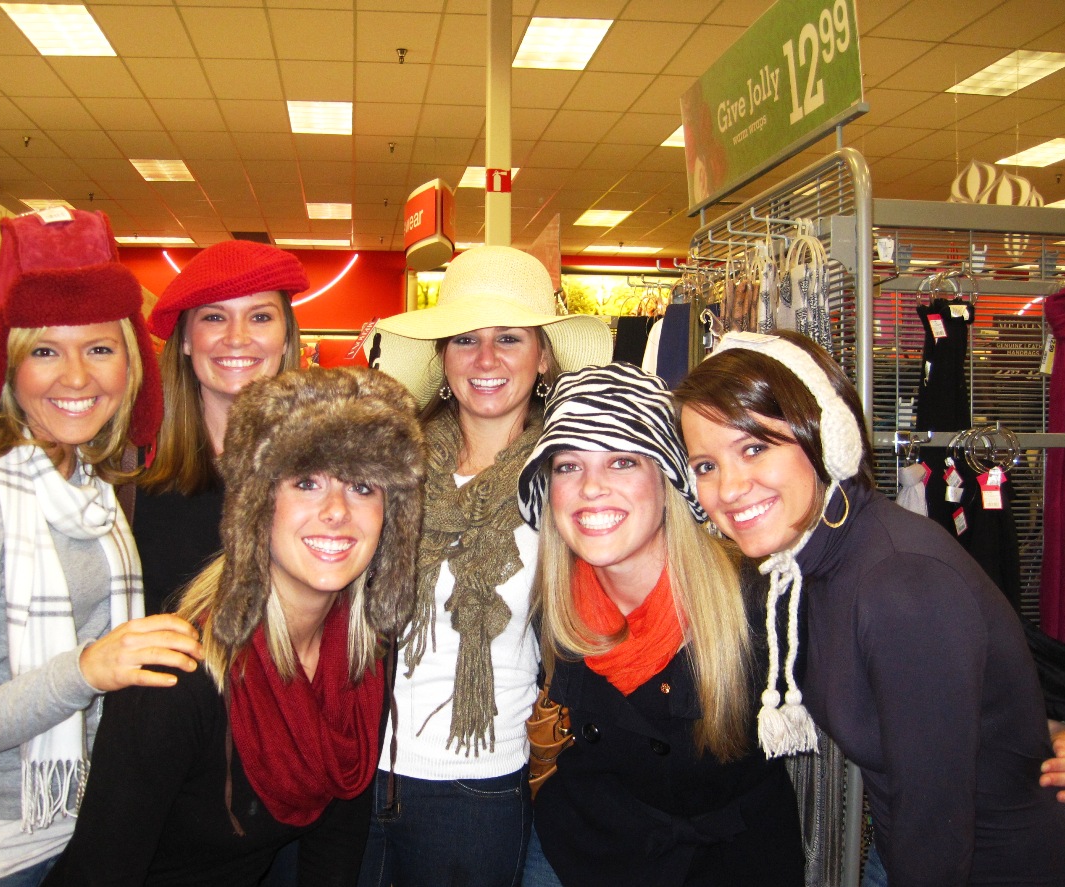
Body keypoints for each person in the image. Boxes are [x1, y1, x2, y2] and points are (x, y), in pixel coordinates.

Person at [676, 329, 1065, 886]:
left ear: (830, 437)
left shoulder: (897, 581)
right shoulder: (813, 559)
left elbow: (935, 824)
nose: (728, 489)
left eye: (754, 448)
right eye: (706, 465)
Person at [0, 209, 203, 886]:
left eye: (98, 348)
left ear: (130, 361)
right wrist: (90, 668)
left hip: (85, 820)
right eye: (45, 351)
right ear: (10, 365)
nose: (75, 377)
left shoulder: (89, 475)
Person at [44, 367, 426, 886]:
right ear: (256, 505)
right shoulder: (177, 676)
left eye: (362, 486)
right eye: (307, 482)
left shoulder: (363, 661)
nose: (337, 511)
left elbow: (336, 845)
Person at [357, 245, 612, 887]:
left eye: (509, 338)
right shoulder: (393, 468)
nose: (486, 358)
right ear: (443, 358)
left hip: (477, 787)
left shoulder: (567, 483)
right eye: (465, 339)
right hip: (358, 768)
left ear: (543, 358)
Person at [515, 362, 804, 886]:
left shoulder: (760, 600)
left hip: (733, 865)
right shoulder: (548, 609)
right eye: (568, 466)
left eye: (622, 461)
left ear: (667, 479)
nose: (591, 488)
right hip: (582, 861)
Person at [136, 239, 309, 615]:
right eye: (214, 317)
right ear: (185, 339)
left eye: (260, 317)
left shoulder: (325, 462)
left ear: (285, 339)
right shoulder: (131, 464)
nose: (236, 338)